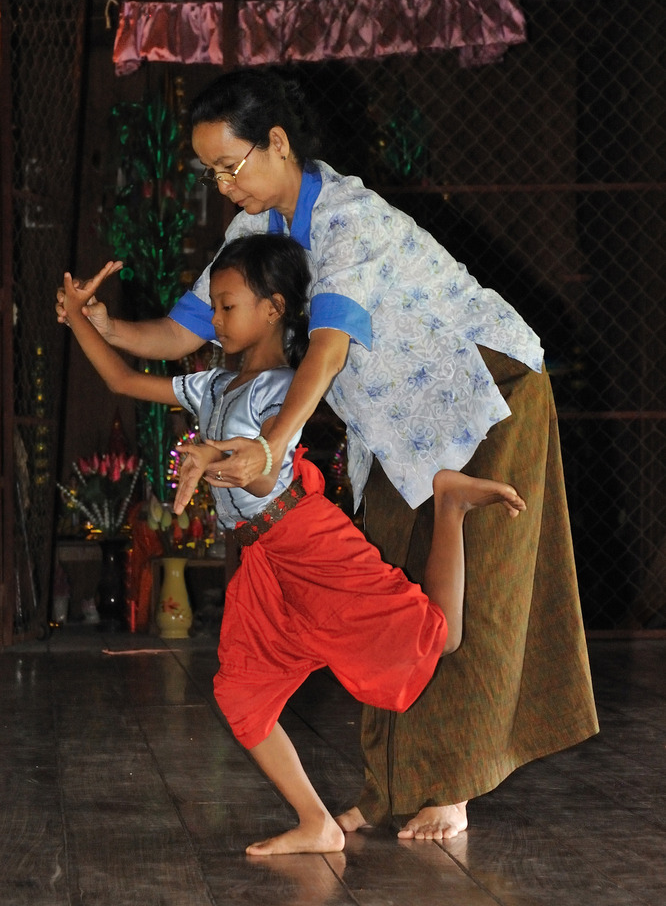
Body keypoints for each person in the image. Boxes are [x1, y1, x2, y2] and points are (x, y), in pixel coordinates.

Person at [57, 68, 598, 841]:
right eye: (211, 171)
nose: (223, 185)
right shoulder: (254, 236)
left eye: (232, 166)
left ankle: (452, 786)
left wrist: (268, 446)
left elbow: (330, 351)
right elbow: (183, 336)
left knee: (475, 600)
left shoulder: (348, 218)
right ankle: (387, 788)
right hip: (400, 429)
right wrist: (101, 326)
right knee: (379, 601)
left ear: (277, 143)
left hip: (486, 390)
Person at [60, 234, 526, 855]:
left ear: (274, 308)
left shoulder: (281, 387)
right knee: (240, 692)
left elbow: (260, 468)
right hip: (264, 561)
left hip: (308, 540)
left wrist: (216, 460)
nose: (216, 321)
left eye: (228, 307)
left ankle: (449, 503)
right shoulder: (214, 385)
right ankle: (317, 822)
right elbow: (120, 378)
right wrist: (78, 321)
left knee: (440, 638)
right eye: (215, 309)